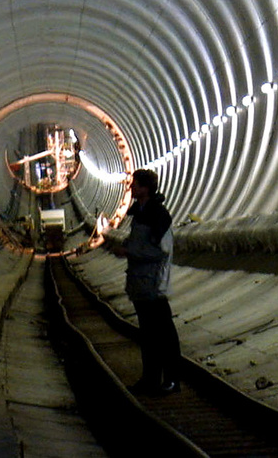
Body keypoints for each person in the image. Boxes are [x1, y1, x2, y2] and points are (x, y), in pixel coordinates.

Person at [107, 168, 180, 393]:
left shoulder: (159, 215)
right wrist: (128, 247)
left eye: (136, 185)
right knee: (148, 335)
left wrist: (130, 252)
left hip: (154, 284)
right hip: (140, 284)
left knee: (164, 334)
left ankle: (172, 380)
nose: (131, 188)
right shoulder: (139, 213)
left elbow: (161, 251)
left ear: (146, 188)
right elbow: (140, 243)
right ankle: (150, 378)